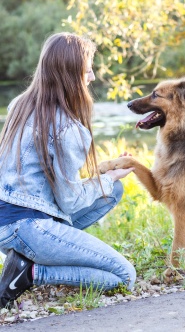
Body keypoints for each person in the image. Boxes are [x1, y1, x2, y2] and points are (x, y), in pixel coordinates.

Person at [0, 32, 136, 308]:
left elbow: (41, 179)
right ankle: (30, 273)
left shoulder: (19, 105)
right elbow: (70, 200)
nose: (93, 77)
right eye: (88, 71)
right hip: (29, 227)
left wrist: (109, 179)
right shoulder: (69, 129)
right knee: (124, 275)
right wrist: (105, 179)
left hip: (6, 224)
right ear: (71, 75)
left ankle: (37, 254)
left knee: (114, 190)